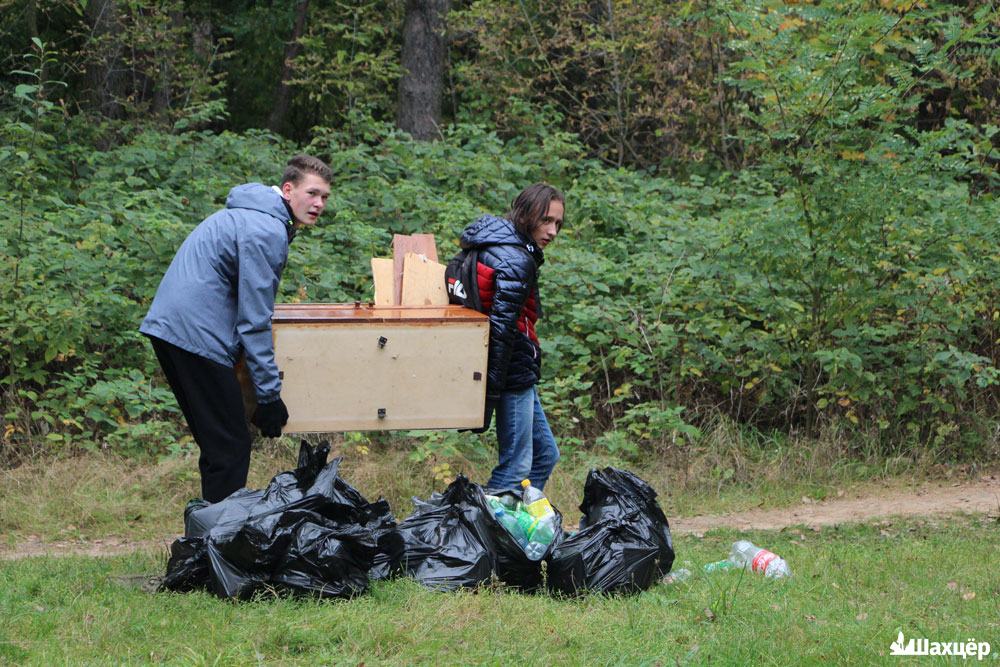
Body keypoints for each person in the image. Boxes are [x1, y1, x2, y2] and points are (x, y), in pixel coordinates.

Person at [140, 155, 332, 502]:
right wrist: (269, 396)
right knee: (230, 446)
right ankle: (218, 545)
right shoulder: (266, 230)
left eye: (325, 197)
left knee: (219, 445)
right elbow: (254, 320)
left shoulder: (254, 217)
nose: (318, 204)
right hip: (194, 334)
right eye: (312, 193)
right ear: (288, 190)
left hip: (173, 329)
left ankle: (207, 543)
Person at [458, 183, 564, 492]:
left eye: (557, 223)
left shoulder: (494, 244)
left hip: (515, 369)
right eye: (546, 220)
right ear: (526, 214)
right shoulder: (515, 258)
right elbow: (501, 330)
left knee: (545, 455)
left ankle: (516, 526)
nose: (553, 231)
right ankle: (492, 534)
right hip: (509, 372)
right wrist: (491, 391)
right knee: (515, 468)